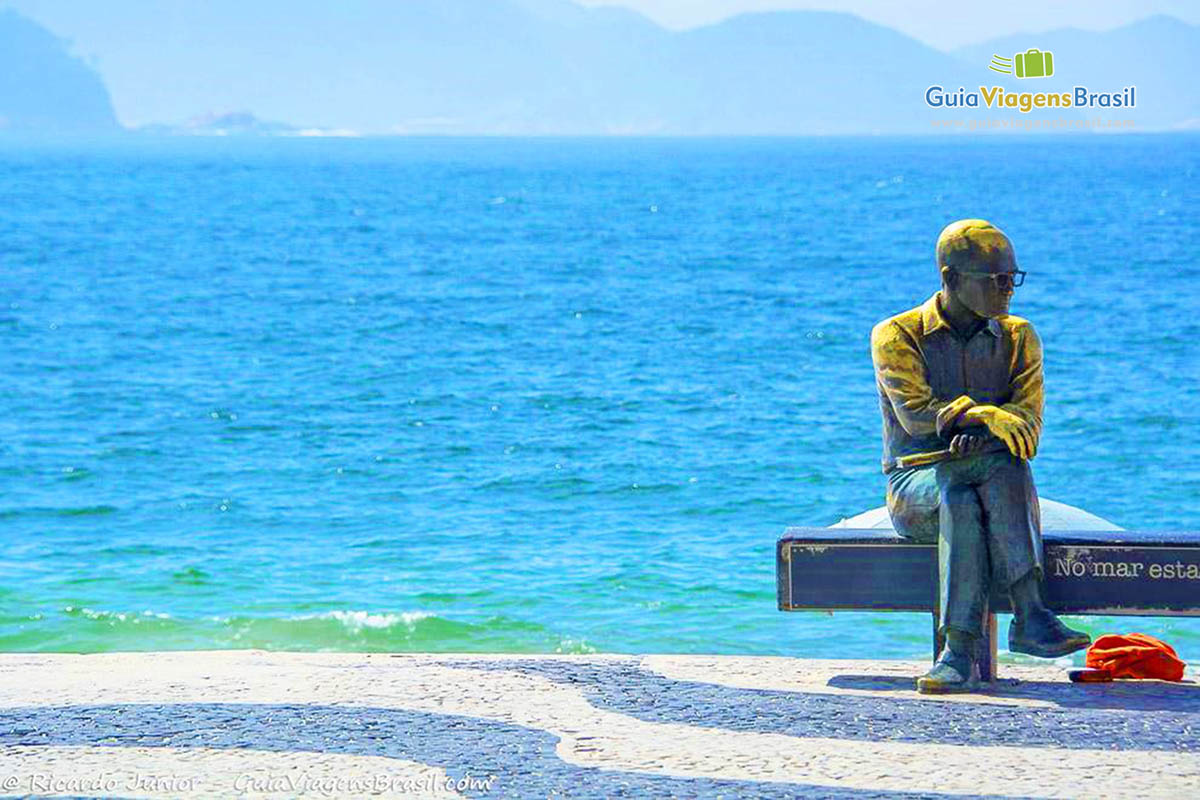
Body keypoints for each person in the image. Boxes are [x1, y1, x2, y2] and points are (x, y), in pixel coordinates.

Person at [870, 218, 1090, 693]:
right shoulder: (896, 335)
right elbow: (916, 418)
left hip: (980, 484)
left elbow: (1026, 431)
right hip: (914, 483)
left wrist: (979, 433)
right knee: (962, 482)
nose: (1008, 289)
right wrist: (986, 417)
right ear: (950, 279)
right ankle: (1030, 614)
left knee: (968, 494)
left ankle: (957, 651)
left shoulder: (1019, 338)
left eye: (1012, 277)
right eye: (994, 280)